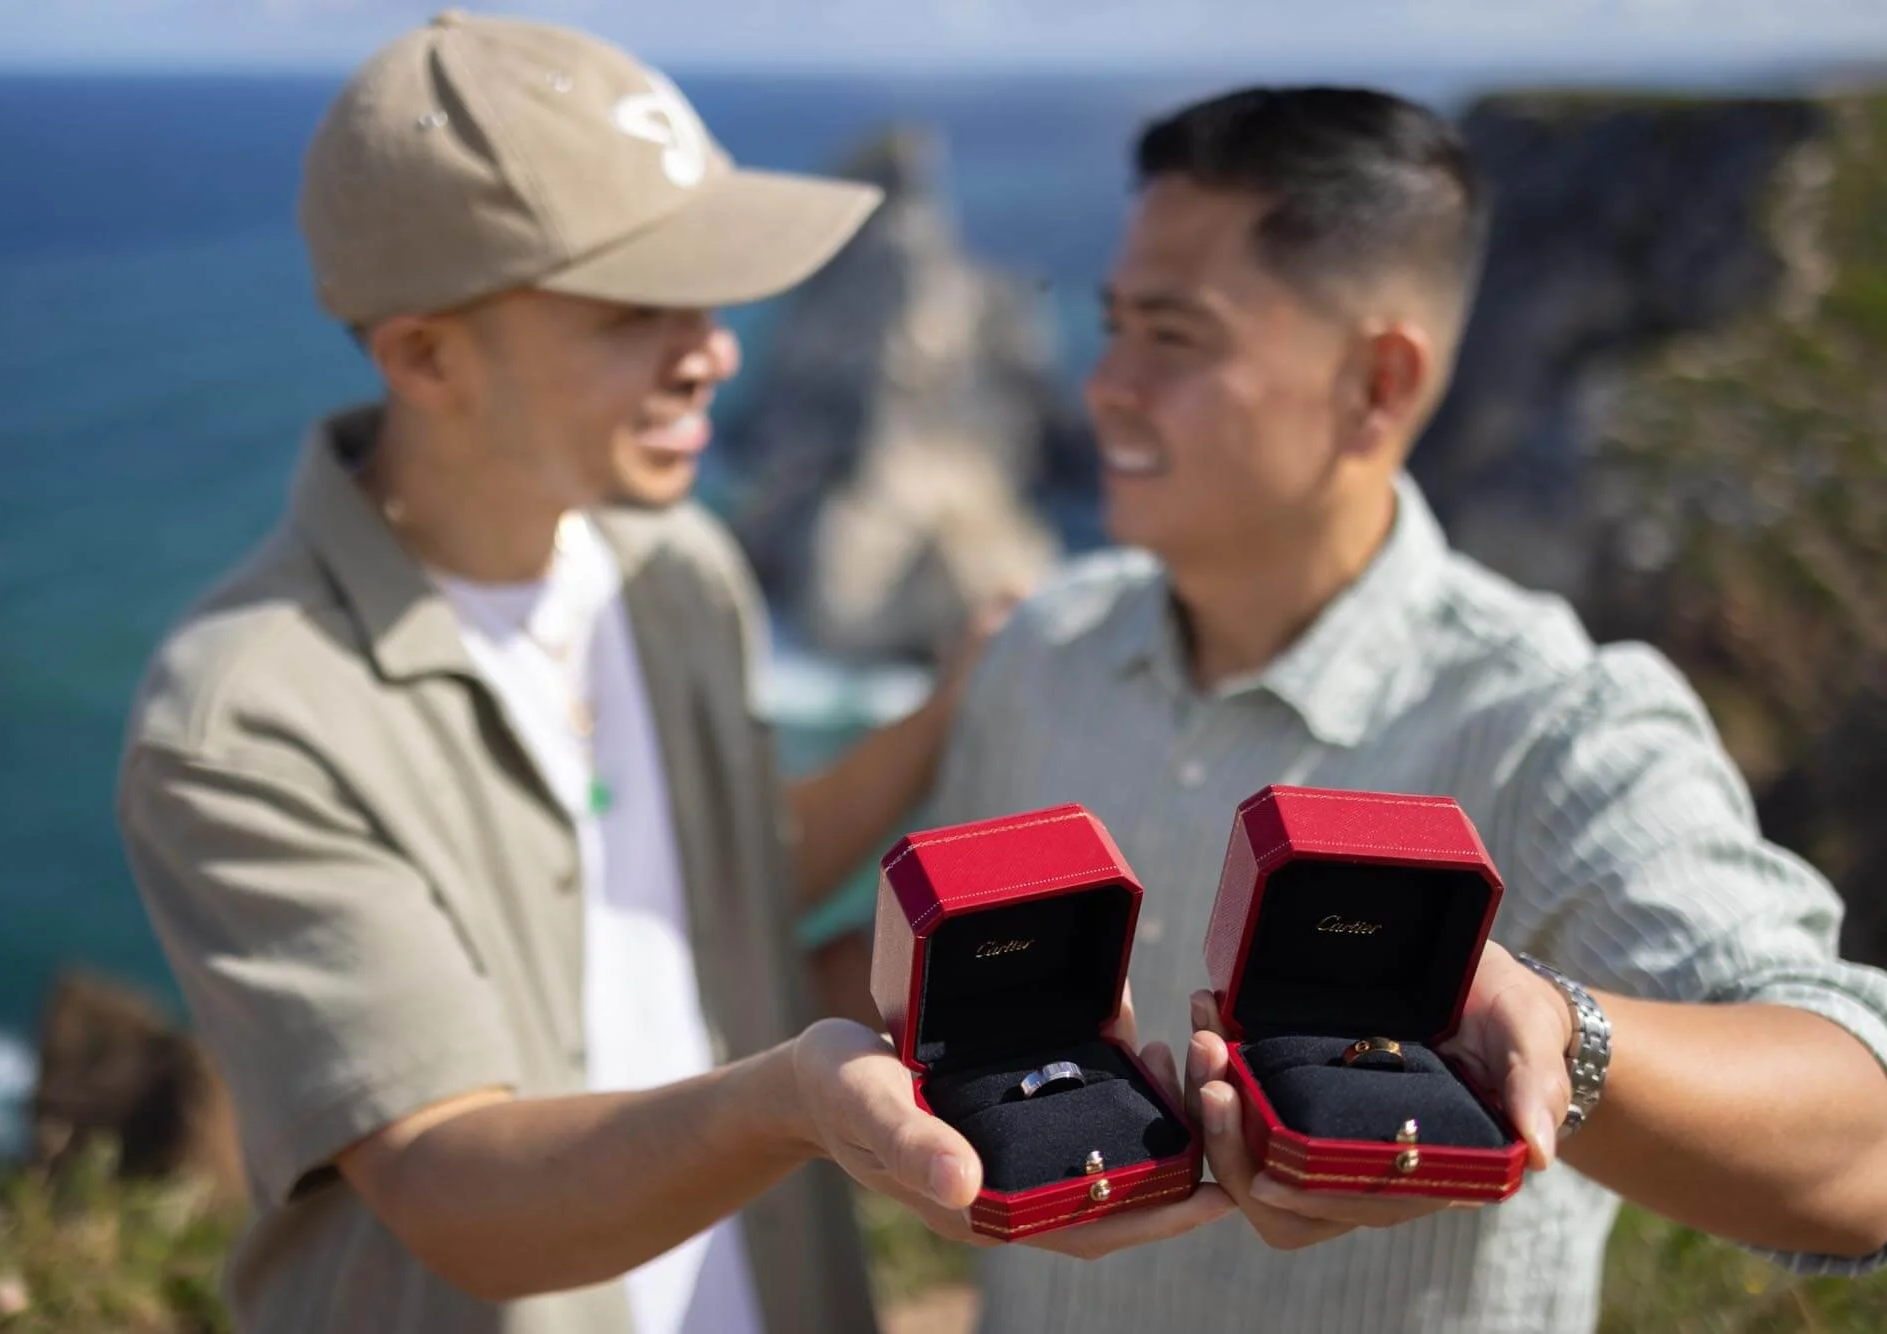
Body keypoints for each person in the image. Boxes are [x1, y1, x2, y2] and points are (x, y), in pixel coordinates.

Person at [113, 15, 1235, 1334]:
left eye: (707, 292)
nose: (715, 349)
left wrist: (946, 713)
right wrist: (787, 1103)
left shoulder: (675, 567)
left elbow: (725, 874)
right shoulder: (248, 718)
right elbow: (450, 1187)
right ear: (424, 356)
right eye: (635, 308)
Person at [930, 86, 1887, 1333]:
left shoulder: (1556, 719)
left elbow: (1863, 1150)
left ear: (1376, 382)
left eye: (1171, 337)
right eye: (1111, 325)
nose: (1102, 386)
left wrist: (1560, 1033)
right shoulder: (1038, 658)